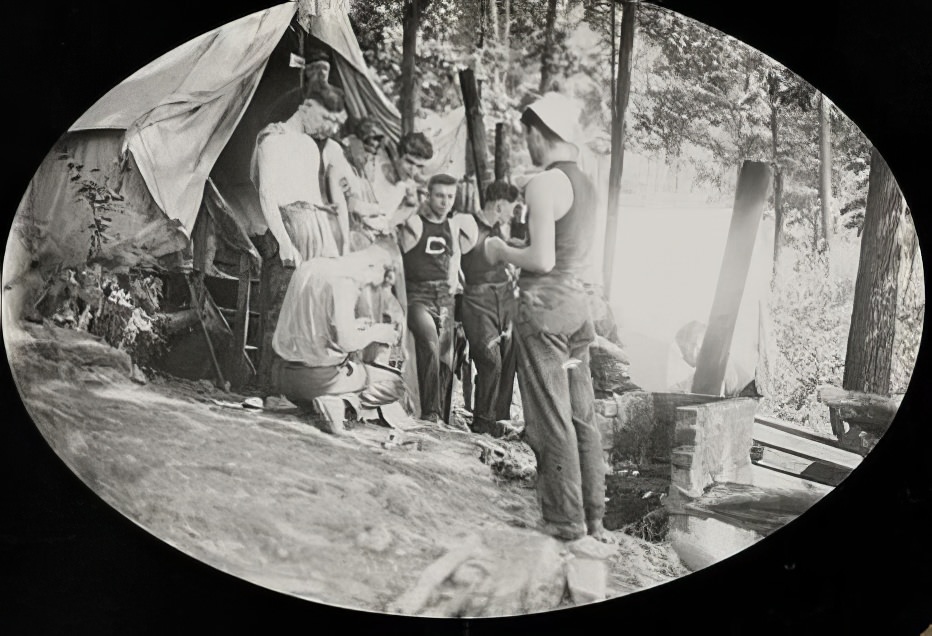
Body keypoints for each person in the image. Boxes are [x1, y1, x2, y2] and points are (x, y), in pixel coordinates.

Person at [484, 92, 614, 543]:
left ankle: (563, 521)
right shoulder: (587, 183)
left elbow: (539, 259)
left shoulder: (544, 184)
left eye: (528, 138)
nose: (528, 147)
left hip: (543, 309)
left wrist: (500, 249)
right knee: (582, 415)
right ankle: (594, 519)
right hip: (578, 308)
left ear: (538, 135)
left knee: (549, 418)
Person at [270, 238, 405, 413]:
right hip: (317, 380)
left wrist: (355, 325)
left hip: (281, 375)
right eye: (373, 281)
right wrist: (376, 332)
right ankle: (341, 404)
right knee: (395, 383)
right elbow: (347, 343)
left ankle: (310, 404)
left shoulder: (309, 266)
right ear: (376, 265)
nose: (368, 286)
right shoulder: (345, 282)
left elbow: (311, 324)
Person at [398, 173, 478, 423]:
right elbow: (396, 257)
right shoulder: (415, 224)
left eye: (450, 196)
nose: (445, 201)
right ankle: (431, 413)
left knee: (447, 354)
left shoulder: (455, 227)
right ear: (429, 195)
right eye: (440, 195)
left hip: (444, 298)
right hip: (417, 296)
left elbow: (459, 257)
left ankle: (442, 413)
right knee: (429, 340)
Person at [251, 89, 348, 265]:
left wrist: (329, 244)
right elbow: (267, 194)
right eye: (324, 118)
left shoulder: (309, 144)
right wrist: (285, 243)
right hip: (287, 228)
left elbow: (314, 198)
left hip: (313, 229)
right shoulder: (272, 140)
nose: (327, 127)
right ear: (305, 108)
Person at [459, 180, 521, 435]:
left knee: (509, 358)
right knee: (490, 361)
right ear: (499, 205)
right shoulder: (467, 225)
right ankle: (483, 424)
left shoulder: (498, 229)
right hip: (478, 303)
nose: (513, 212)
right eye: (511, 207)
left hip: (504, 300)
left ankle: (499, 421)